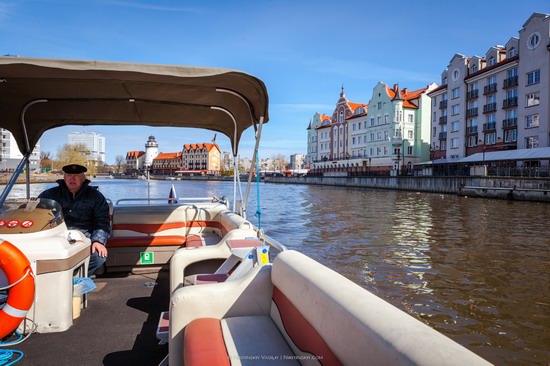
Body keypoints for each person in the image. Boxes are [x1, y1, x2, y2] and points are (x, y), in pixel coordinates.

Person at [38, 164, 110, 276]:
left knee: (99, 256)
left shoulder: (95, 196)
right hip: (56, 237)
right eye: (69, 175)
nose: (72, 178)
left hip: (85, 239)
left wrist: (98, 241)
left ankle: (74, 279)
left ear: (83, 178)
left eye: (76, 175)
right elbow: (38, 215)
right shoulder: (49, 195)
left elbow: (102, 221)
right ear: (64, 178)